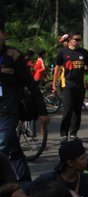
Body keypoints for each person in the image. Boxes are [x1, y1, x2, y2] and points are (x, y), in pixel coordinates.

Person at [0, 15, 49, 183]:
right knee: (13, 148)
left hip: (8, 111)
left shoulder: (14, 56)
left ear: (3, 35)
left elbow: (31, 85)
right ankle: (25, 181)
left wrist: (42, 111)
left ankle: (7, 189)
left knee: (2, 147)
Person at [52, 31, 88, 143]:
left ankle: (73, 134)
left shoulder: (83, 52)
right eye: (76, 39)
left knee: (77, 111)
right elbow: (57, 69)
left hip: (80, 86)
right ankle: (63, 134)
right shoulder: (63, 52)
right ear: (70, 39)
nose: (78, 41)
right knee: (68, 110)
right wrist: (54, 83)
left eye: (80, 39)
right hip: (67, 85)